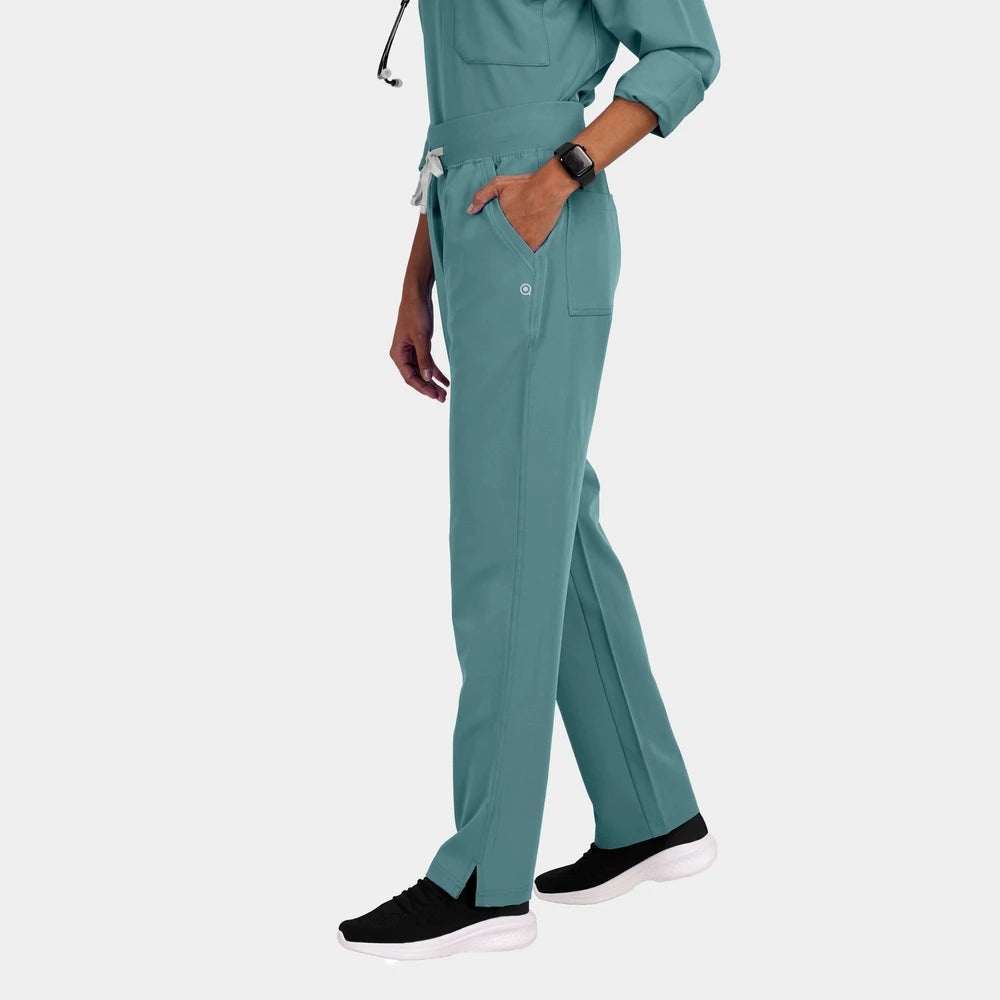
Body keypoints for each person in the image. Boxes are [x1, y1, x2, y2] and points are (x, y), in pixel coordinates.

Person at [339, 0, 721, 961]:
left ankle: (484, 879)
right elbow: (460, 123)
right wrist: (418, 278)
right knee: (551, 526)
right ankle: (649, 811)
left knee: (503, 544)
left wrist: (563, 175)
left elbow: (687, 49)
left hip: (535, 226)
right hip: (474, 227)